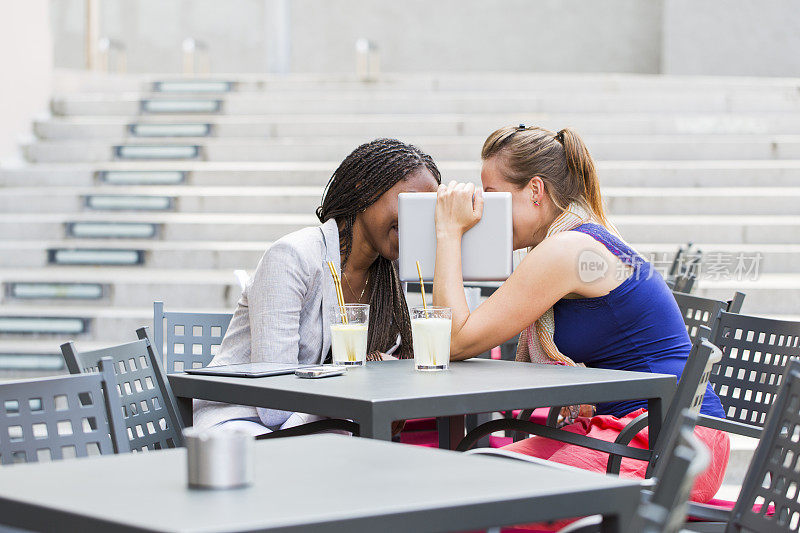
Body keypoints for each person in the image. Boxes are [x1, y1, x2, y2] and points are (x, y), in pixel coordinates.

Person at [432, 125, 729, 505]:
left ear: (535, 191)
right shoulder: (574, 238)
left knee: (506, 501)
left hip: (668, 443)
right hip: (633, 430)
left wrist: (447, 231)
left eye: (492, 195)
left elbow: (455, 340)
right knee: (472, 482)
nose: (484, 210)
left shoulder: (567, 251)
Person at [194, 138, 441, 436]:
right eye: (411, 203)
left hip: (324, 430)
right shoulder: (291, 257)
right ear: (365, 188)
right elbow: (274, 407)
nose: (420, 221)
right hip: (241, 429)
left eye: (429, 210)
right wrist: (364, 371)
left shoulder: (387, 274)